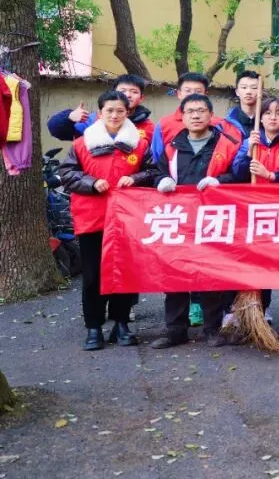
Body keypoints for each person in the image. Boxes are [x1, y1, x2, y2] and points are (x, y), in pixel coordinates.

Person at [146, 94, 242, 349]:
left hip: (213, 220)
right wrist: (161, 181)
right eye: (190, 111)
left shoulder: (227, 144)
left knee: (211, 276)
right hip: (179, 221)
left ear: (211, 115)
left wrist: (220, 181)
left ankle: (212, 330)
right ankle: (176, 330)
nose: (196, 115)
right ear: (183, 117)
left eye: (201, 111)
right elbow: (156, 171)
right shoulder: (172, 146)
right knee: (174, 275)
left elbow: (240, 174)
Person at [57, 90, 149, 351]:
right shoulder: (82, 143)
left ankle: (122, 324)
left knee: (125, 273)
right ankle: (94, 327)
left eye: (120, 110)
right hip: (93, 219)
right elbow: (67, 173)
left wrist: (136, 178)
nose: (115, 115)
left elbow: (153, 171)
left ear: (128, 112)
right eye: (109, 110)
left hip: (128, 220)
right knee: (92, 276)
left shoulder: (139, 144)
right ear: (100, 113)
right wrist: (91, 182)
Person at [231, 96, 279, 346]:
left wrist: (271, 175)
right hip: (256, 215)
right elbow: (237, 174)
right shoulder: (250, 142)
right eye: (267, 113)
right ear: (261, 117)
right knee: (257, 271)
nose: (272, 117)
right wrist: (248, 153)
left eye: (278, 113)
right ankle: (256, 322)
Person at [47, 74, 154, 143]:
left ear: (141, 98)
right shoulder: (92, 120)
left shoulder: (149, 127)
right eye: (123, 91)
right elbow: (56, 131)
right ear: (114, 93)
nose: (128, 95)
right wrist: (69, 117)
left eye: (134, 92)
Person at [224, 70, 261, 139]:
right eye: (244, 87)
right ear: (237, 92)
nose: (248, 92)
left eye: (254, 88)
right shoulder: (227, 123)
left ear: (261, 91)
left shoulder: (268, 120)